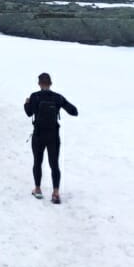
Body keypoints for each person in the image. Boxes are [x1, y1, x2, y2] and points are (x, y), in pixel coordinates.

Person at [24, 72, 78, 204]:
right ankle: (56, 193)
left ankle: (37, 189)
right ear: (51, 83)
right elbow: (74, 111)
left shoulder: (35, 96)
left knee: (38, 162)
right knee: (54, 164)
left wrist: (26, 103)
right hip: (53, 136)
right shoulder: (57, 97)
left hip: (38, 135)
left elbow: (29, 113)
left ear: (39, 84)